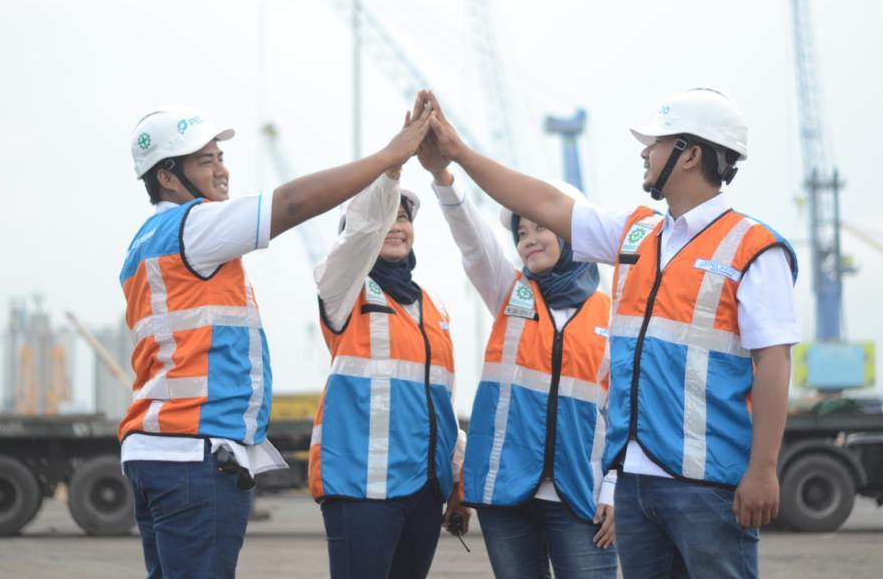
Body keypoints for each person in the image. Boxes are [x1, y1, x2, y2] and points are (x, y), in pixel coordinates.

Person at [423, 88, 799, 578]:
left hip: (705, 484)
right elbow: (546, 202)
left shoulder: (755, 248)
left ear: (690, 155)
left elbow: (774, 362)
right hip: (636, 483)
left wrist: (764, 469)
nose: (645, 153)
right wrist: (459, 155)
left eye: (656, 143)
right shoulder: (636, 233)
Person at [119, 98, 433, 579]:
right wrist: (388, 158)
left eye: (220, 157)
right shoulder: (194, 225)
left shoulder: (142, 243)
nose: (222, 171)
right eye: (205, 161)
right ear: (167, 176)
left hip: (155, 448)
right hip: (192, 453)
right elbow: (290, 204)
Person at [419, 124, 619, 579]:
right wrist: (444, 178)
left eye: (540, 226)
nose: (528, 238)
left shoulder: (614, 315)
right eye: (521, 232)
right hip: (506, 495)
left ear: (573, 233)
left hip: (580, 497)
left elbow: (625, 414)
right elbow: (474, 243)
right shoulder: (508, 292)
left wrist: (614, 489)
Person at [307, 106, 469, 578]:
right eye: (386, 217)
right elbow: (362, 228)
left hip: (423, 489)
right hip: (361, 488)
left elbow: (440, 402)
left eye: (403, 217)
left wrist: (457, 482)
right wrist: (393, 167)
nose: (396, 226)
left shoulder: (432, 307)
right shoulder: (343, 288)